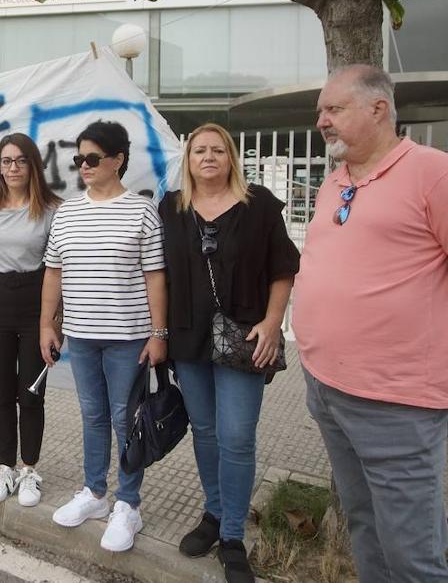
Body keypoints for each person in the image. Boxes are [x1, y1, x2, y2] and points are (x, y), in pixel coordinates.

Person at [293, 65, 448, 583]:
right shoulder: (337, 180)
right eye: (320, 112)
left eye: (334, 109)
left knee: (414, 556)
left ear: (379, 109)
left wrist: (438, 346)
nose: (322, 121)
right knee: (366, 523)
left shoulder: (439, 177)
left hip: (395, 402)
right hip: (327, 386)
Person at [158, 123, 299, 583]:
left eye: (218, 150)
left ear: (231, 157)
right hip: (189, 336)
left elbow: (283, 268)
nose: (209, 157)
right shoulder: (171, 209)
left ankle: (234, 536)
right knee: (206, 432)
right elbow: (155, 271)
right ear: (189, 159)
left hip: (245, 339)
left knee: (236, 436)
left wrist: (273, 322)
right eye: (200, 150)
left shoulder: (258, 207)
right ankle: (214, 514)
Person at [40, 120, 167, 553]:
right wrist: (47, 325)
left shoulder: (141, 210)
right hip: (80, 336)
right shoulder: (68, 212)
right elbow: (53, 273)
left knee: (125, 420)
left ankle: (128, 504)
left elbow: (155, 277)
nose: (84, 165)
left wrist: (158, 333)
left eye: (93, 158)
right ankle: (95, 494)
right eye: (79, 159)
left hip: (128, 338)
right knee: (92, 416)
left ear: (118, 160)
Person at [0, 133, 60, 507]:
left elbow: (60, 270)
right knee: (1, 393)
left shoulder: (53, 209)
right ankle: (4, 466)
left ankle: (29, 469)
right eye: (6, 161)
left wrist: (55, 320)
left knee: (31, 395)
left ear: (33, 164)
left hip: (38, 302)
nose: (13, 167)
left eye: (20, 160)